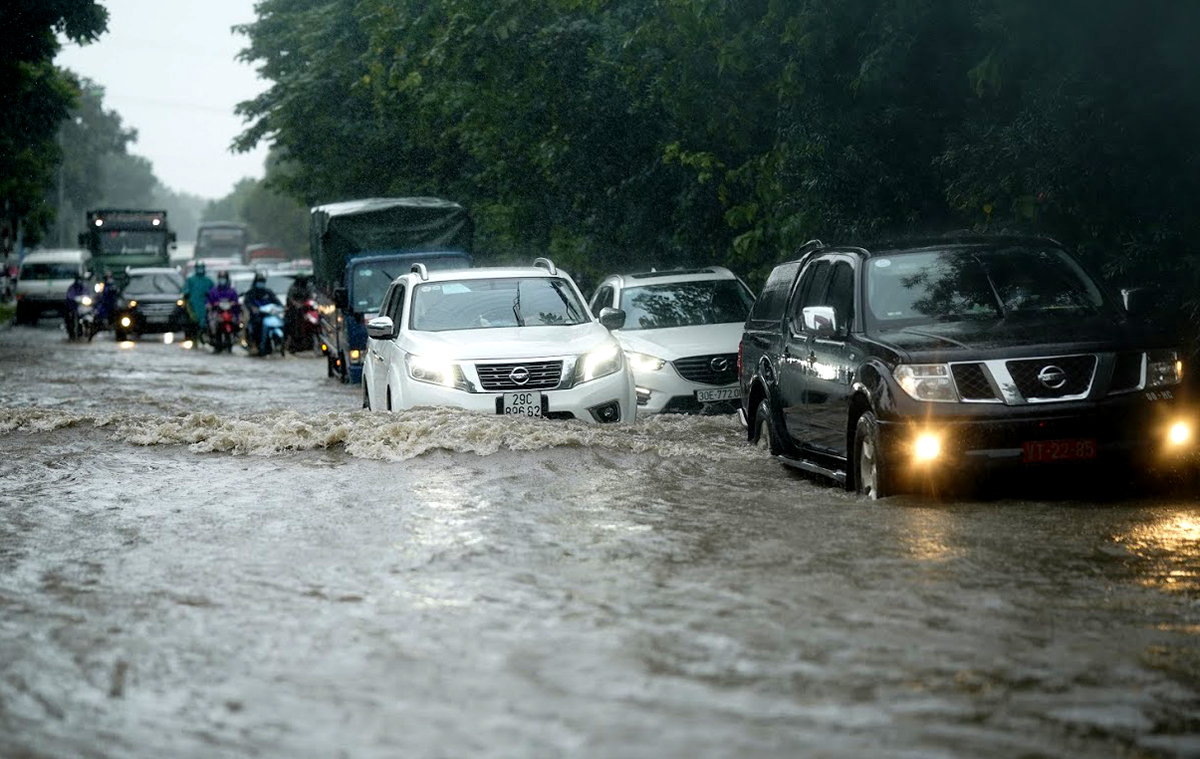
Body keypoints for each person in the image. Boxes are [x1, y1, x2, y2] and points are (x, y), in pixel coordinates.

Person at [243, 272, 282, 355]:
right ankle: (255, 345)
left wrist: (282, 307)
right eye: (259, 281)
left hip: (269, 316)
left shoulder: (268, 292)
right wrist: (253, 308)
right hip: (257, 317)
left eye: (262, 281)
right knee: (256, 326)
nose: (261, 283)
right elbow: (247, 303)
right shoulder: (251, 293)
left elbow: (276, 301)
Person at [182, 262, 215, 340]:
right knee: (193, 323)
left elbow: (214, 292)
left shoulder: (208, 280)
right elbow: (186, 291)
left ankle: (204, 337)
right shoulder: (191, 280)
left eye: (201, 267)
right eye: (198, 268)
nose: (200, 270)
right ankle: (194, 339)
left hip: (205, 306)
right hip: (193, 306)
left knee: (206, 323)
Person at [205, 270, 242, 336]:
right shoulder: (213, 291)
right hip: (217, 313)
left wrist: (234, 304)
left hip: (229, 313)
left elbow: (236, 301)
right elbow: (209, 302)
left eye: (224, 278)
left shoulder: (231, 291)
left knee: (237, 322)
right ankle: (212, 335)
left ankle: (236, 335)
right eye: (221, 278)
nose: (222, 280)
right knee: (211, 322)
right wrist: (210, 305)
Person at [284, 274, 314, 350]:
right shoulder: (293, 288)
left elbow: (311, 297)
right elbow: (290, 298)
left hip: (306, 309)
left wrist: (306, 304)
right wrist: (296, 304)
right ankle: (294, 342)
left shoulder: (307, 287)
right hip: (294, 312)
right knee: (294, 325)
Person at [64, 274, 87, 339]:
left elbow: (87, 293)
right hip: (73, 307)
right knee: (69, 318)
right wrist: (73, 299)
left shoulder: (83, 287)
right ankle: (71, 332)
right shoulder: (72, 287)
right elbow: (69, 295)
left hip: (82, 307)